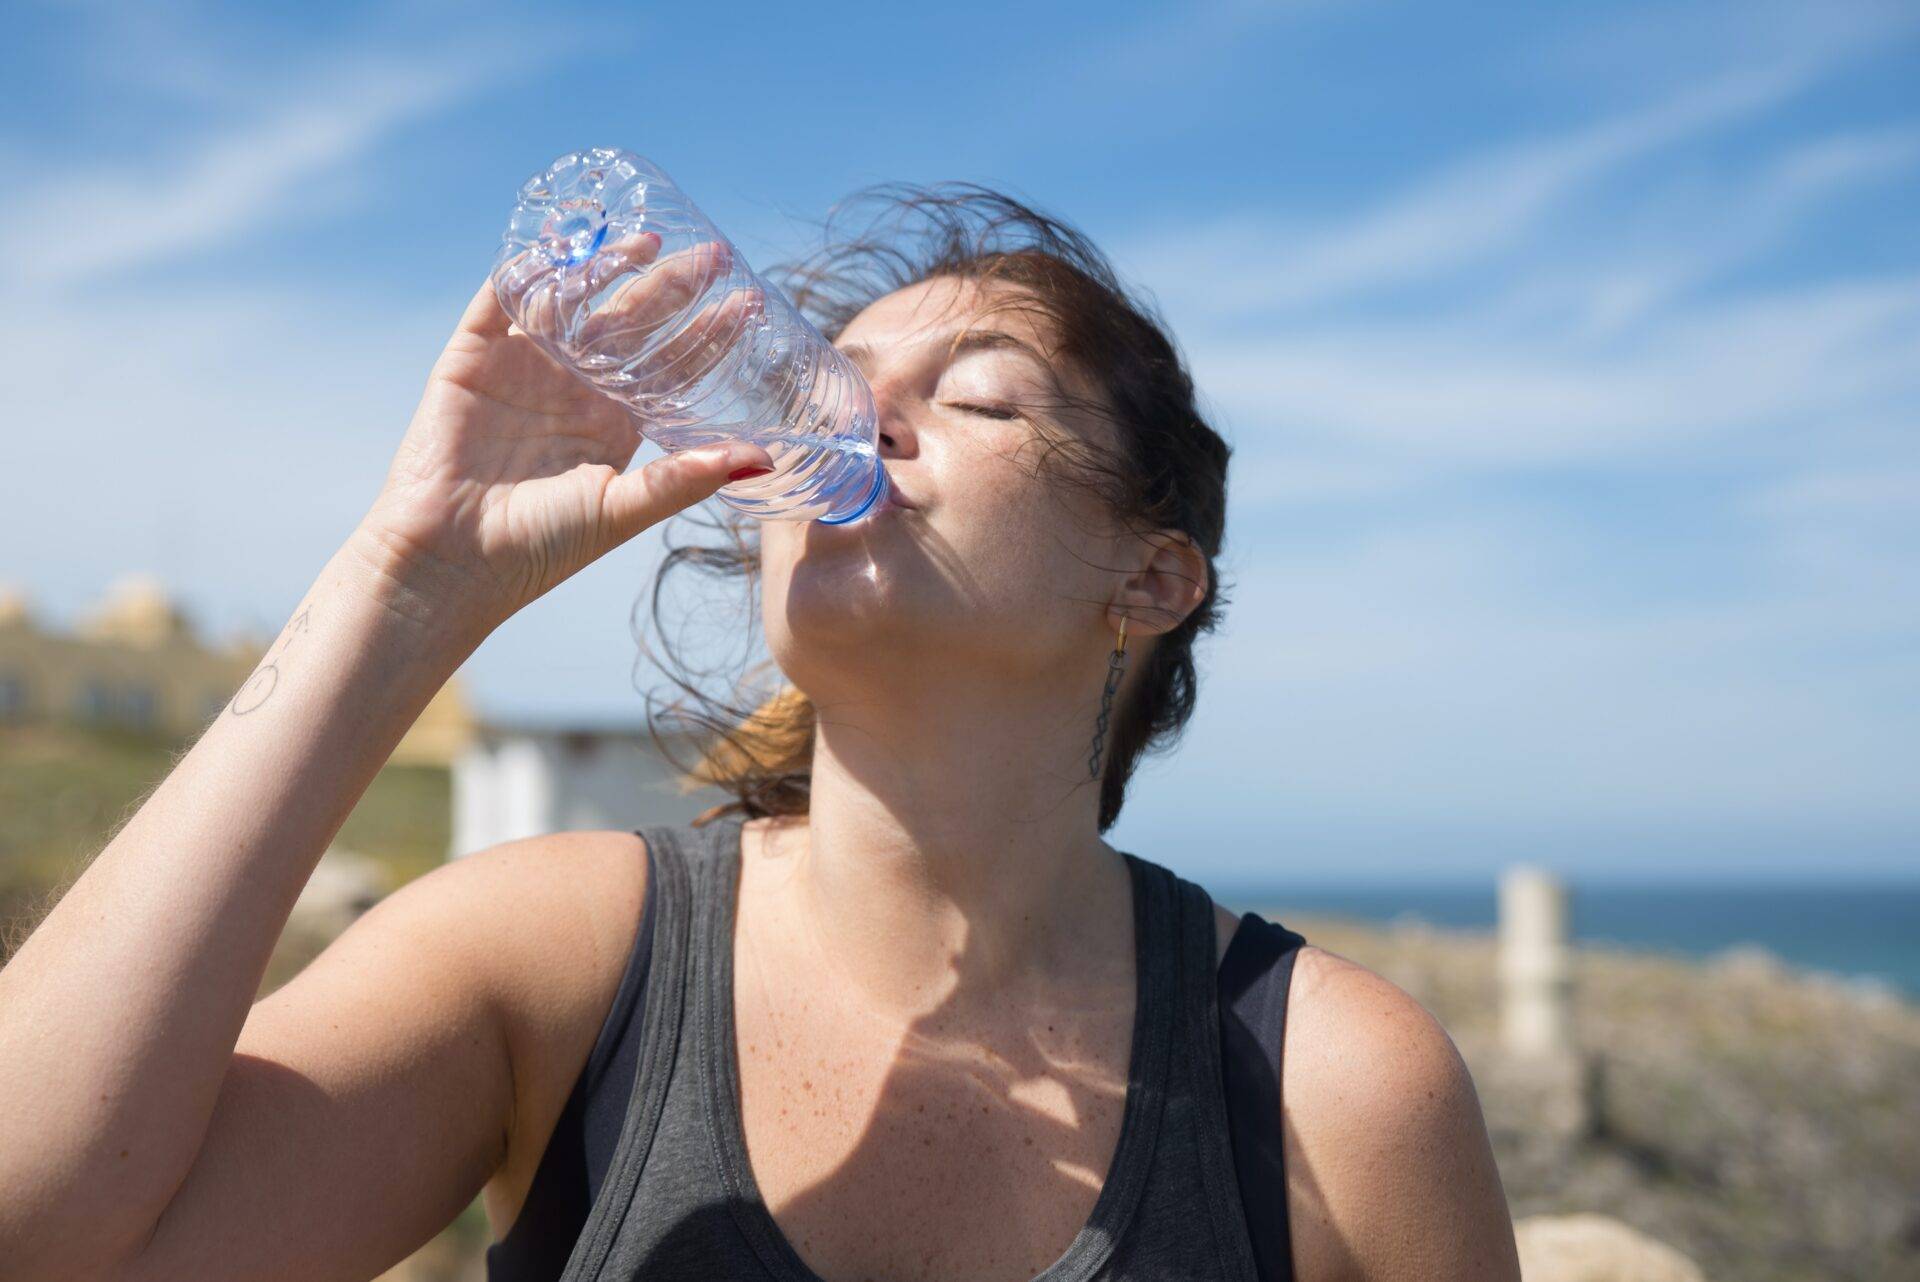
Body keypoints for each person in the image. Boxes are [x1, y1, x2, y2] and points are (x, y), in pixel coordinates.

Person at [0, 184, 1520, 1282]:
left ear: (1151, 576)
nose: (860, 424)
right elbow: (41, 1233)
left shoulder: (1329, 1081)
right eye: (842, 389)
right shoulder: (564, 961)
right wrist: (412, 584)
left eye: (978, 401)